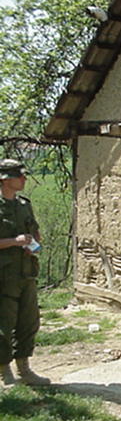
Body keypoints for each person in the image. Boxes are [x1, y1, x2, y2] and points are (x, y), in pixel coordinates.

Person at [0, 159, 50, 387]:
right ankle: (4, 372)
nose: (24, 179)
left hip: (26, 273)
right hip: (4, 276)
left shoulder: (23, 205)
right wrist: (14, 241)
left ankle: (24, 368)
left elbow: (34, 232)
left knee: (29, 322)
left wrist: (34, 245)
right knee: (3, 324)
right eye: (19, 176)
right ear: (5, 179)